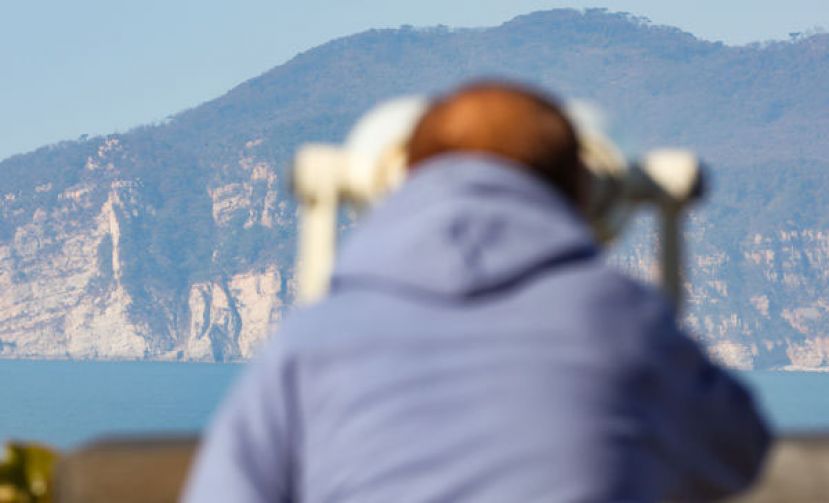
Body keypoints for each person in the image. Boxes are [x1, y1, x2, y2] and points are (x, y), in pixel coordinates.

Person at [183, 82, 769, 502]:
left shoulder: (312, 341)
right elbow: (737, 453)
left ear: (403, 182)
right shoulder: (621, 321)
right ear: (581, 192)